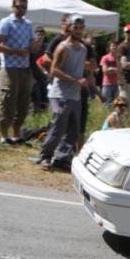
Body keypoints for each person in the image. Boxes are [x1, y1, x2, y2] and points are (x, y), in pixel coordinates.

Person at [35, 14, 88, 171]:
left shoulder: (83, 49)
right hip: (60, 94)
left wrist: (85, 78)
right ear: (69, 28)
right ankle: (45, 156)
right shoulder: (63, 47)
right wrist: (74, 80)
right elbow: (54, 70)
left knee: (73, 130)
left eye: (81, 28)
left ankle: (62, 158)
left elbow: (80, 70)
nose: (78, 31)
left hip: (75, 95)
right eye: (75, 27)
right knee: (58, 128)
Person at [0, 0, 43, 145]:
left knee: (23, 101)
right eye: (19, 6)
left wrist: (37, 44)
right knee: (9, 100)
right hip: (9, 66)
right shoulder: (6, 22)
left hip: (24, 67)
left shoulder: (28, 24)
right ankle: (4, 134)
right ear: (13, 7)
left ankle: (16, 134)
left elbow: (32, 47)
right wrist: (15, 51)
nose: (21, 9)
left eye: (24, 7)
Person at [29, 26, 48, 113]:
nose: (40, 37)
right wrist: (30, 77)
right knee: (36, 99)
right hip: (33, 77)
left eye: (42, 35)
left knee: (45, 99)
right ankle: (34, 119)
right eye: (38, 35)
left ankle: (42, 120)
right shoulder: (31, 48)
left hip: (43, 78)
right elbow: (26, 63)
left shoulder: (46, 48)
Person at [100, 40, 119, 104]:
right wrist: (116, 70)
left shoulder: (119, 58)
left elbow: (121, 71)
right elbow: (105, 71)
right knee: (106, 104)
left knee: (116, 105)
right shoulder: (105, 57)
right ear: (109, 47)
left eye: (116, 45)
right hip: (107, 84)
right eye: (113, 45)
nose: (114, 47)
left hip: (117, 84)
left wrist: (111, 69)